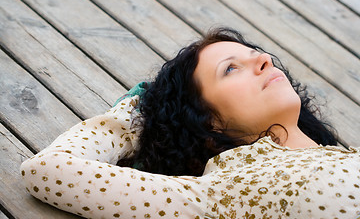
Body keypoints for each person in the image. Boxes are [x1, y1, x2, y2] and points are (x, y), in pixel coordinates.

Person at [20, 28, 360, 218]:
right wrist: (138, 114)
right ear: (208, 121)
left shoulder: (343, 156)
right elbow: (47, 170)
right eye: (230, 68)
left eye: (254, 55)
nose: (263, 59)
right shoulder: (229, 191)